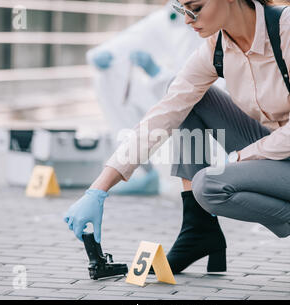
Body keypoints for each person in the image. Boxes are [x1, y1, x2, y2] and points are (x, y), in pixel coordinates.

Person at [65, 0, 290, 286]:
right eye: (181, 9)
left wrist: (235, 160)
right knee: (183, 97)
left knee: (209, 185)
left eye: (195, 8)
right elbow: (164, 114)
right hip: (284, 156)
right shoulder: (217, 47)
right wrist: (98, 189)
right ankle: (199, 229)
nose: (187, 20)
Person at [86, 0, 226, 195]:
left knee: (187, 103)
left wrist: (158, 74)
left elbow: (210, 90)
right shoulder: (170, 17)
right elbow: (124, 43)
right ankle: (142, 170)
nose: (187, 18)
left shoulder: (217, 19)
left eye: (192, 9)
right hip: (177, 98)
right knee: (108, 73)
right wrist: (100, 55)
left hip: (214, 118)